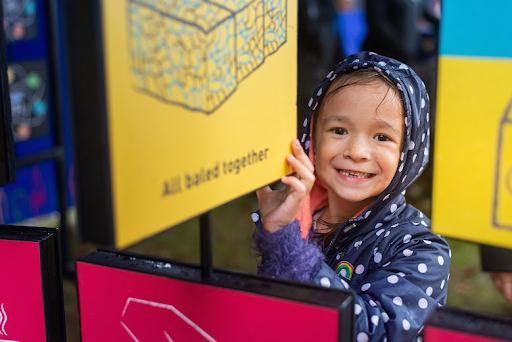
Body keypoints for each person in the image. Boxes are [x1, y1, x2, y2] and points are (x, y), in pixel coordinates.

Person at [251, 51, 451, 341]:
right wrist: (277, 232)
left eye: (382, 137)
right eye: (339, 130)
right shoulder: (298, 218)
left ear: (408, 153)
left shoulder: (421, 247)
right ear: (312, 139)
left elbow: (374, 332)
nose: (357, 151)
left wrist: (286, 242)